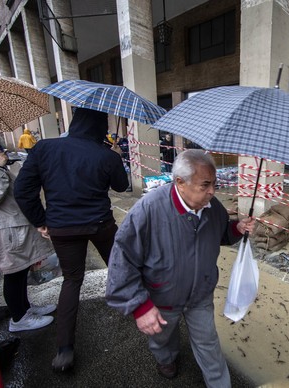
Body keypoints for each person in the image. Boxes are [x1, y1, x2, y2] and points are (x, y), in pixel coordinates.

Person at [106, 149, 255, 386]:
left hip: (200, 295)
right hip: (162, 296)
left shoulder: (213, 208)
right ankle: (166, 358)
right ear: (180, 182)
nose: (212, 192)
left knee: (209, 344)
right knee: (162, 339)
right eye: (205, 185)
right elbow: (122, 260)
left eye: (214, 184)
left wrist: (237, 229)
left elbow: (219, 234)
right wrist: (139, 306)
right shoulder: (148, 210)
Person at [13, 108, 129, 372]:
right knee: (120, 266)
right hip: (101, 225)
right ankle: (135, 308)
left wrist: (41, 220)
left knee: (72, 280)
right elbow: (121, 187)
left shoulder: (44, 149)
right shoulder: (106, 155)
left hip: (62, 229)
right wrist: (116, 158)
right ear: (100, 127)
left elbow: (22, 190)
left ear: (75, 123)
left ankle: (65, 350)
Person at [0, 126, 56, 333]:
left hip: (10, 224)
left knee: (21, 269)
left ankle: (25, 309)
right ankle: (19, 318)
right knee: (13, 273)